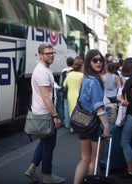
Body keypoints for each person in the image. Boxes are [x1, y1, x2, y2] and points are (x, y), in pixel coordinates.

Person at [24, 44, 65, 184]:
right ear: (40, 55)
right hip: (45, 114)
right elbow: (45, 97)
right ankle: (47, 176)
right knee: (49, 145)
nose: (51, 55)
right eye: (47, 53)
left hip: (42, 112)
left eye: (52, 53)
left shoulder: (44, 70)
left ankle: (32, 168)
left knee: (44, 141)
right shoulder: (42, 72)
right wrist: (55, 116)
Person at [73, 49, 110, 184]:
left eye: (101, 60)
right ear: (89, 62)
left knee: (85, 159)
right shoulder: (94, 81)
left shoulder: (85, 78)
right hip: (96, 124)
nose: (99, 62)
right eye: (95, 60)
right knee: (93, 160)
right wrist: (106, 126)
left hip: (83, 122)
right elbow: (98, 107)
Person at [118, 58, 132, 179]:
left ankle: (130, 171)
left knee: (125, 142)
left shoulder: (130, 81)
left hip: (131, 114)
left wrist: (121, 100)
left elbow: (128, 102)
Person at [62, 56, 84, 132]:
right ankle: (80, 127)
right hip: (79, 94)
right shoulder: (82, 75)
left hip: (70, 94)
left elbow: (64, 85)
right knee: (80, 111)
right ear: (81, 67)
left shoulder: (69, 75)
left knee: (71, 110)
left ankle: (72, 127)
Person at [58, 57, 74, 129]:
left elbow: (61, 82)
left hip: (65, 92)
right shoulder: (74, 71)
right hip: (73, 91)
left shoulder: (63, 71)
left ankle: (66, 123)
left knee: (66, 107)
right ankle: (73, 124)